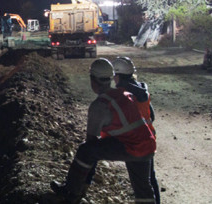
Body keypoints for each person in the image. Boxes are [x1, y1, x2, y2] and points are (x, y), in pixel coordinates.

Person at [50, 58, 157, 204]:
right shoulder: (125, 95)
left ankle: (70, 192)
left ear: (93, 80)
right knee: (143, 189)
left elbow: (91, 143)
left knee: (85, 151)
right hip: (147, 145)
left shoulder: (99, 105)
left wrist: (86, 177)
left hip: (132, 147)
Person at [112, 56, 160, 204]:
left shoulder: (123, 93)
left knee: (141, 184)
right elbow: (151, 115)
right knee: (150, 178)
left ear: (117, 75)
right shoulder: (142, 88)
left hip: (135, 142)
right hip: (149, 138)